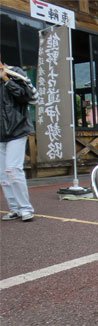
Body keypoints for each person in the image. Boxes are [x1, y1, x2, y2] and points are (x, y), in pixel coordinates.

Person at [0, 60, 36, 222]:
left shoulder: (15, 73)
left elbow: (27, 96)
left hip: (17, 129)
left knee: (12, 169)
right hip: (1, 134)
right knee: (3, 175)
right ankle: (14, 208)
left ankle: (26, 208)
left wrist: (7, 81)